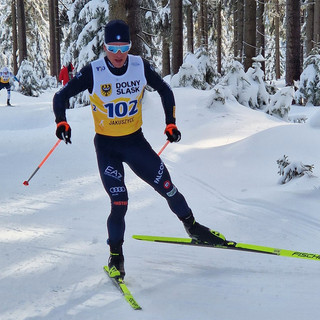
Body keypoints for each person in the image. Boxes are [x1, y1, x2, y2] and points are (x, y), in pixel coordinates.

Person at [53, 19, 227, 279]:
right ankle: (115, 257)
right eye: (114, 48)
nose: (120, 54)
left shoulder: (139, 66)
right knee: (120, 202)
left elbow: (165, 90)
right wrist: (62, 121)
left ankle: (193, 227)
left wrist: (170, 123)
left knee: (168, 187)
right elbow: (60, 96)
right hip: (107, 147)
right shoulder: (94, 71)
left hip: (135, 142)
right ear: (104, 47)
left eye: (125, 47)